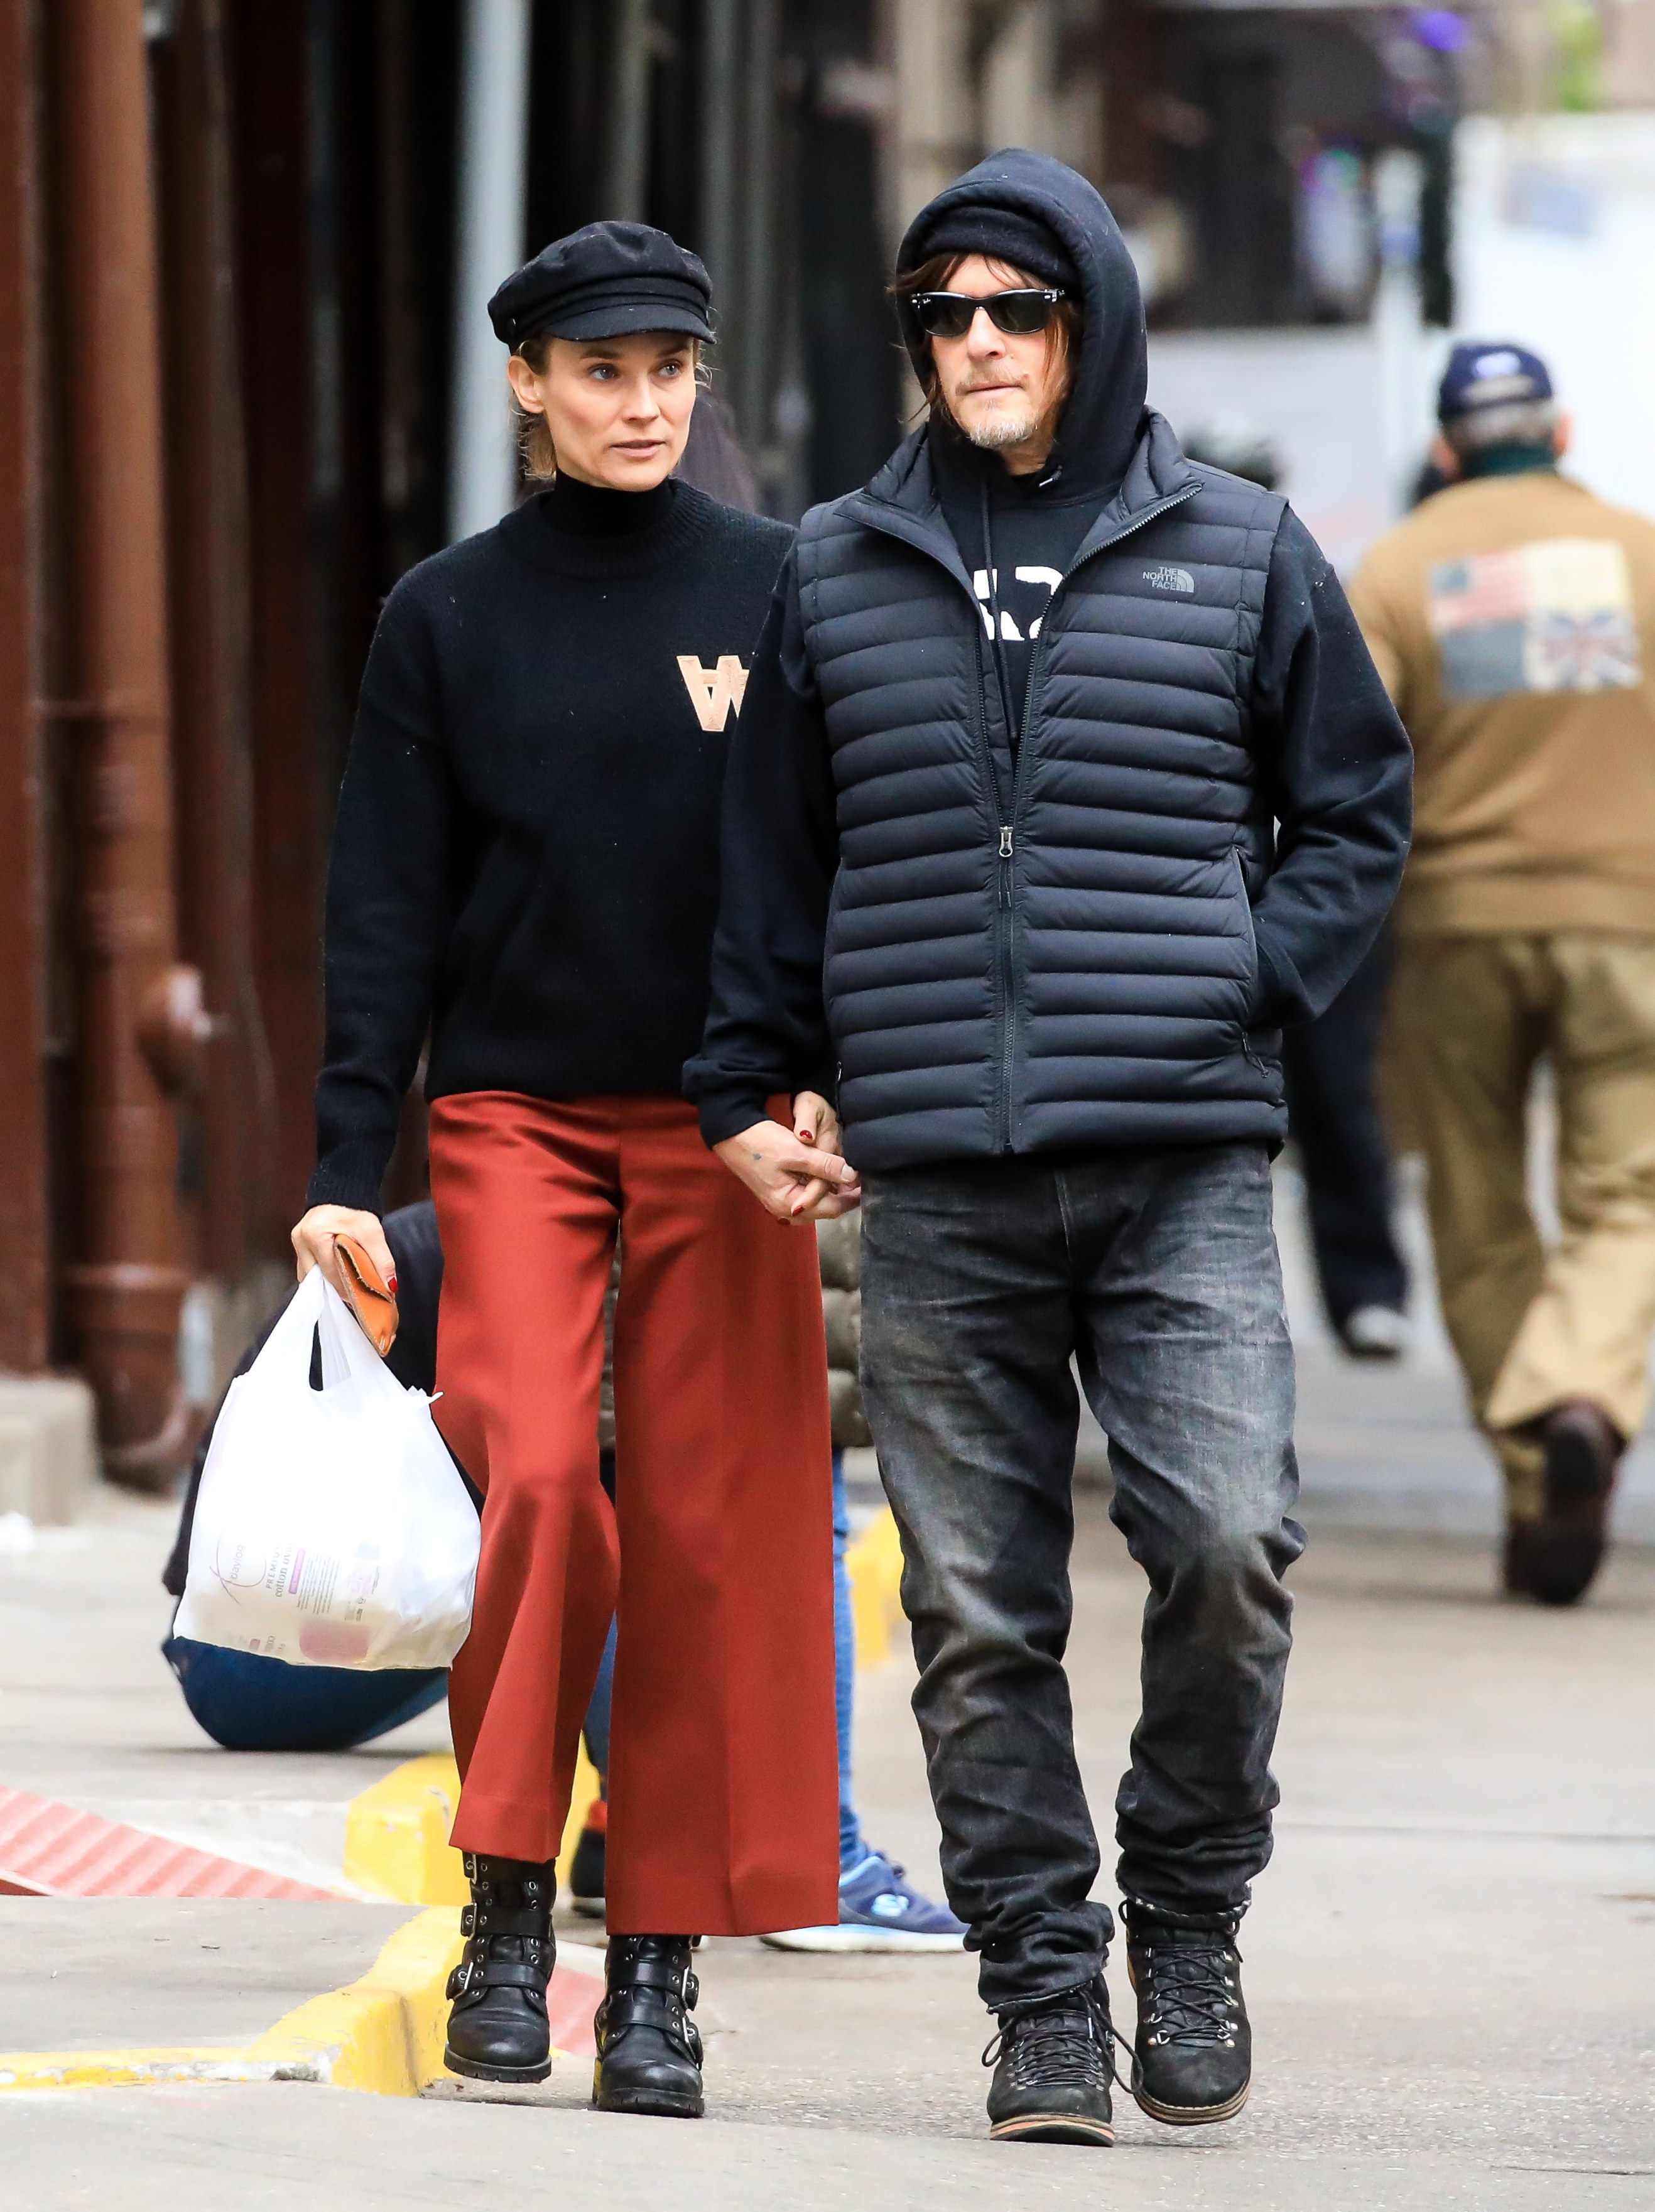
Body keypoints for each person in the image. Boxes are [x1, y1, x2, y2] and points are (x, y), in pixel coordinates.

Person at [685, 149, 1411, 2147]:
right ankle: (1039, 1995)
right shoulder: (828, 565)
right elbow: (770, 865)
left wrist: (1240, 979)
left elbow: (1355, 809)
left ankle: (1184, 1912)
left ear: (1087, 318)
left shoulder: (1242, 549)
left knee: (1225, 1547)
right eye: (945, 316)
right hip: (933, 1168)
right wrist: (748, 1086)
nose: (979, 344)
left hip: (1175, 1153)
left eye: (1016, 308)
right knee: (979, 1610)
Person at [290, 220, 839, 2119]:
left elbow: (832, 869)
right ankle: (509, 1906)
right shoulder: (448, 613)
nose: (642, 401)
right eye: (601, 370)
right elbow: (384, 906)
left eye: (669, 367)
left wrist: (819, 1085)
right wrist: (345, 1157)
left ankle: (664, 1966)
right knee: (533, 1473)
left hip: (723, 1124)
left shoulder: (784, 587)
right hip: (513, 1115)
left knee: (701, 1528)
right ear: (526, 382)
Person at [1349, 340, 1655, 1606]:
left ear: (1443, 447)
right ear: (1563, 429)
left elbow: (1347, 760)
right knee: (1627, 1196)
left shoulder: (1395, 569)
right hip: (1628, 923)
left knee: (1475, 1203)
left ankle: (1535, 1478)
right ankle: (1579, 1386)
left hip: (1453, 927)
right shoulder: (1641, 556)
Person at [1184, 424, 1411, 1360]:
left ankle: (1365, 1289)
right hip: (1246, 924)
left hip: (1272, 916)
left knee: (1331, 1102)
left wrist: (1273, 949)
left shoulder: (1295, 578)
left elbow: (1357, 770)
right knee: (1337, 1104)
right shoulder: (1159, 590)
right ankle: (1367, 1291)